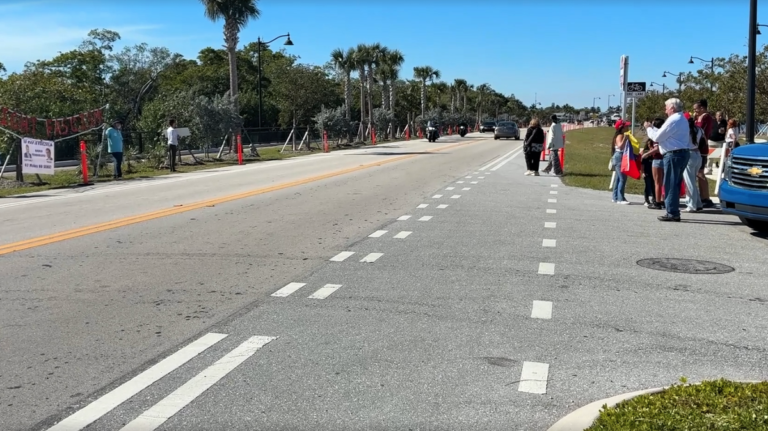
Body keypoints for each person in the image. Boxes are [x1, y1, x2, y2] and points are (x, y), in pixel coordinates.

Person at [644, 98, 691, 222]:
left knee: (670, 184)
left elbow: (658, 137)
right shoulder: (681, 119)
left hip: (673, 154)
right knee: (674, 183)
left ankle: (672, 212)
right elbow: (662, 134)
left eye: (666, 107)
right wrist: (653, 129)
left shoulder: (673, 120)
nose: (665, 109)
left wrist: (649, 128)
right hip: (681, 153)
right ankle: (673, 210)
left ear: (672, 108)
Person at [693, 100, 715, 208]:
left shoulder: (706, 117)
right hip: (698, 148)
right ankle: (702, 196)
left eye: (696, 109)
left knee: (700, 173)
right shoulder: (700, 117)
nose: (695, 112)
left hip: (702, 148)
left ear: (702, 108)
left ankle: (706, 197)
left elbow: (700, 130)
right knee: (698, 173)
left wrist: (698, 120)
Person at [683, 114, 703, 213]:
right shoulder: (699, 129)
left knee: (689, 181)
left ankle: (691, 204)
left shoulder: (685, 130)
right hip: (697, 154)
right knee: (692, 180)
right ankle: (698, 203)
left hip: (689, 154)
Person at [611, 120, 631, 204]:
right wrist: (625, 139)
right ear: (622, 128)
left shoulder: (620, 135)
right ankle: (620, 198)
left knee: (618, 178)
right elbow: (620, 146)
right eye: (626, 126)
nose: (628, 127)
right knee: (623, 178)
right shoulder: (620, 136)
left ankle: (615, 197)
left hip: (619, 156)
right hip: (619, 156)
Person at [640, 139, 656, 206]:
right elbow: (642, 164)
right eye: (650, 145)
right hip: (647, 172)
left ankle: (654, 199)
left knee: (654, 186)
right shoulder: (646, 154)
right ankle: (646, 200)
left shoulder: (655, 154)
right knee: (648, 186)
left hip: (654, 173)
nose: (651, 146)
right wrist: (643, 172)